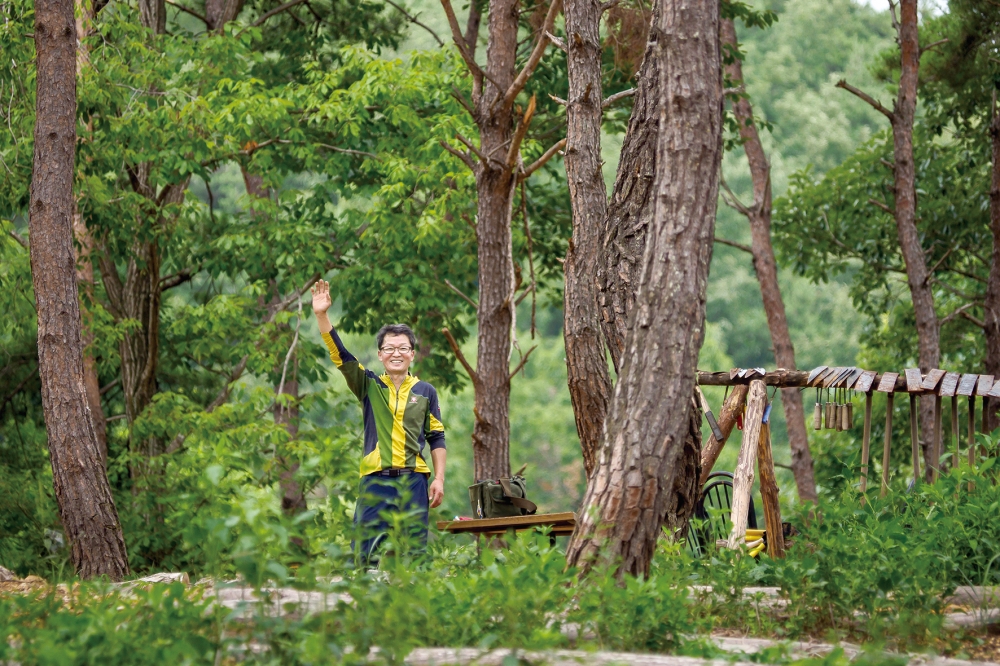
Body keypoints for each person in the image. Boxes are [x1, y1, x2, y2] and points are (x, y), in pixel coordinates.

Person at [311, 279, 445, 565]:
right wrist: (322, 316)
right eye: (389, 348)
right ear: (381, 354)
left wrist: (439, 478)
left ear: (412, 354)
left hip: (413, 480)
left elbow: (436, 437)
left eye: (403, 348)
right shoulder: (369, 385)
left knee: (415, 553)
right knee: (362, 553)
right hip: (375, 480)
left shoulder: (425, 391)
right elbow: (341, 356)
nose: (396, 353)